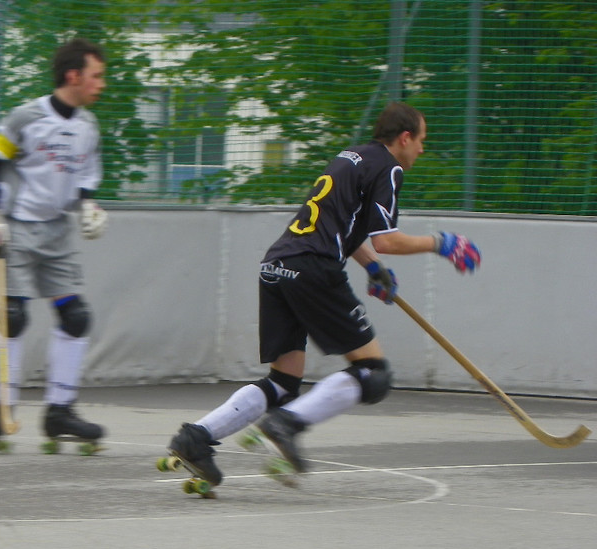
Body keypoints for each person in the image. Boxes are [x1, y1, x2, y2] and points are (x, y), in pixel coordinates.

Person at [167, 101, 481, 485]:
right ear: (404, 138)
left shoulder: (352, 157)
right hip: (312, 268)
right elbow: (387, 240)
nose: (422, 148)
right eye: (421, 140)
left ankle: (196, 438)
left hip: (277, 264)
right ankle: (285, 424)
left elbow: (345, 228)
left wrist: (373, 268)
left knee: (283, 382)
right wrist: (441, 243)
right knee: (373, 373)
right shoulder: (388, 167)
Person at [0, 37, 109, 449]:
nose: (101, 84)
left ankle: (60, 412)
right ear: (73, 76)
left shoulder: (88, 126)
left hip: (58, 232)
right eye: (96, 76)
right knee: (11, 315)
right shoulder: (26, 118)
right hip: (17, 229)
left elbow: (85, 178)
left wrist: (88, 207)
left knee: (75, 316)